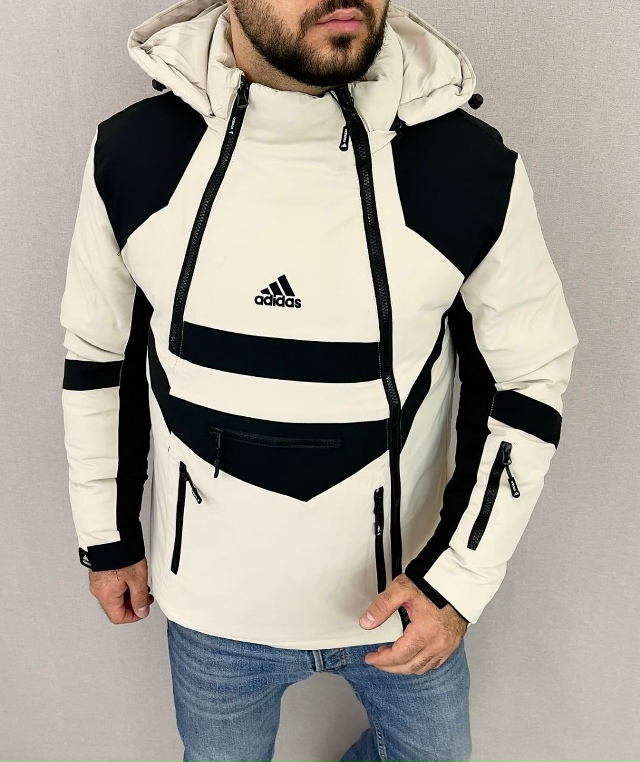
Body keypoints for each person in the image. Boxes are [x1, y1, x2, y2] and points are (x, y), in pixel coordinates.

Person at [59, 0, 579, 759]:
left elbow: (527, 378)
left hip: (409, 601)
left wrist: (457, 581)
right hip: (212, 612)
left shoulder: (467, 164)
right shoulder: (135, 153)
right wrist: (106, 541)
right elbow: (98, 357)